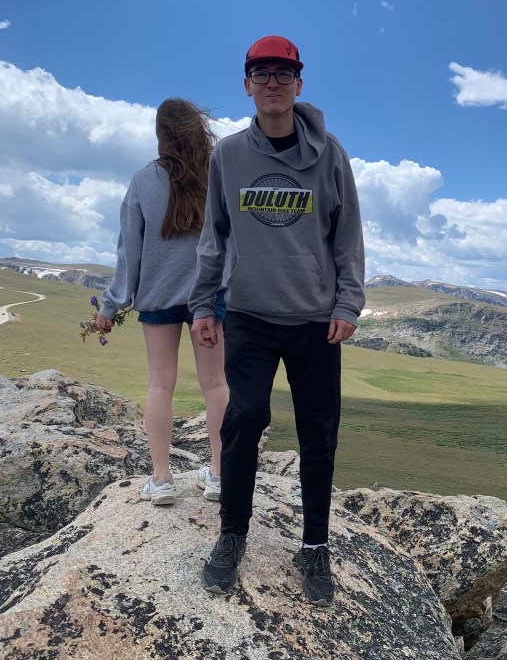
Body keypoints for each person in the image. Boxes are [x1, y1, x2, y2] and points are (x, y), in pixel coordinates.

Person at [189, 35, 365, 607]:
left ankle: (315, 545)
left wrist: (347, 304)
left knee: (319, 432)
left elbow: (347, 235)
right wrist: (202, 303)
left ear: (299, 83)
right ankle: (232, 533)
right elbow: (213, 235)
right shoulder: (228, 155)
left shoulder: (331, 154)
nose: (273, 82)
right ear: (247, 85)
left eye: (283, 73)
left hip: (315, 320)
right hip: (249, 314)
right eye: (261, 73)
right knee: (243, 419)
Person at [98, 97, 229, 507]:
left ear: (160, 134)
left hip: (157, 297)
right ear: (199, 130)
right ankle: (220, 476)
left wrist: (111, 305)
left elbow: (129, 251)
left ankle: (161, 479)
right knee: (216, 384)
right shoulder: (218, 174)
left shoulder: (142, 181)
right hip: (210, 297)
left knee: (159, 384)